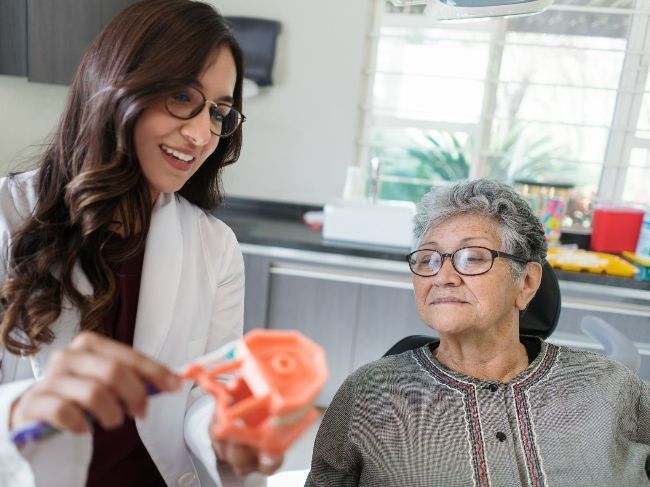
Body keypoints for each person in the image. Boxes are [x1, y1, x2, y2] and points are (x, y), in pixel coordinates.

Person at [0, 1, 282, 485]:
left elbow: (209, 390)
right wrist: (25, 408)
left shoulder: (214, 248)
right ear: (117, 85)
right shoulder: (9, 218)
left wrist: (226, 432)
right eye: (180, 96)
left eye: (219, 112)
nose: (199, 134)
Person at [306, 179, 650, 486]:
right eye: (428, 259)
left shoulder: (615, 387)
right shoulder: (370, 393)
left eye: (471, 257)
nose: (443, 276)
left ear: (527, 282)